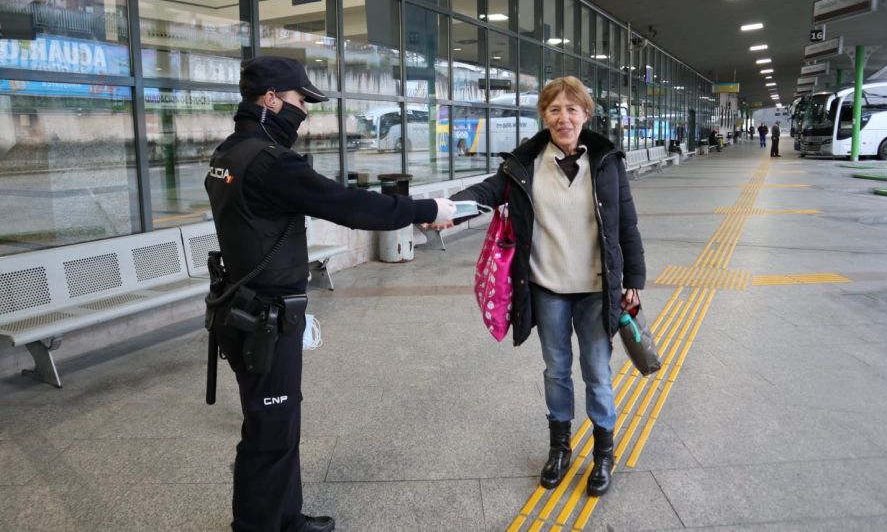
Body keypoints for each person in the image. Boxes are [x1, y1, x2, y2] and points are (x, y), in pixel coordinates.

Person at [205, 56, 457, 532]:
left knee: (277, 424)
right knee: (269, 430)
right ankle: (259, 526)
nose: (305, 113)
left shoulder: (228, 154)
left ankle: (284, 517)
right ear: (272, 99)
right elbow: (349, 204)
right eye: (301, 101)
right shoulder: (269, 162)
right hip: (264, 316)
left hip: (247, 310)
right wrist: (426, 207)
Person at [430, 76, 645, 497]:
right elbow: (488, 191)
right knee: (556, 370)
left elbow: (627, 224)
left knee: (597, 372)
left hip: (595, 287)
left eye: (571, 109)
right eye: (553, 110)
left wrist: (633, 279)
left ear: (585, 114)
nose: (563, 118)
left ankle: (603, 452)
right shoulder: (525, 163)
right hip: (547, 285)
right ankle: (560, 447)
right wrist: (448, 210)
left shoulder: (606, 161)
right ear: (543, 116)